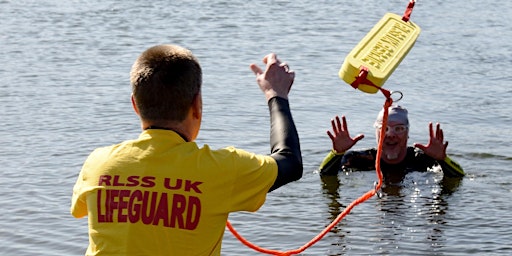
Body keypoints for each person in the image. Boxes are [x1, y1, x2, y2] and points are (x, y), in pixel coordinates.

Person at [71, 44, 303, 255]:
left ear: (135, 105)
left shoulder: (98, 163)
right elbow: (289, 162)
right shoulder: (221, 169)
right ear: (196, 104)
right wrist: (276, 95)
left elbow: (81, 211)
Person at [319, 105, 464, 178]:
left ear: (407, 134)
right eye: (384, 129)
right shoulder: (356, 160)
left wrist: (443, 160)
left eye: (399, 129)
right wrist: (336, 154)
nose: (391, 135)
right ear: (376, 134)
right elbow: (325, 175)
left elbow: (459, 177)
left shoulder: (423, 160)